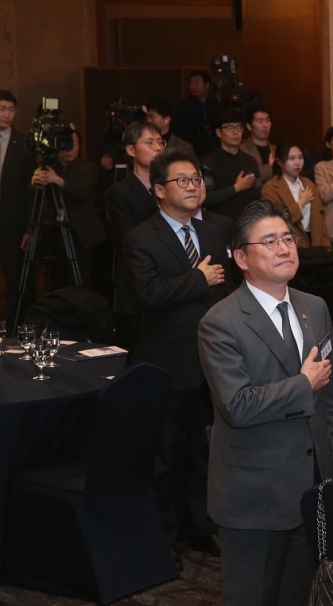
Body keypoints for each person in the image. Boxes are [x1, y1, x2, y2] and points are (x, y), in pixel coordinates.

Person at [198, 200, 333, 606]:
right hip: (254, 495)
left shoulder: (314, 307)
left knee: (299, 595)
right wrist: (302, 384)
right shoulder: (220, 321)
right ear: (242, 257)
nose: (285, 249)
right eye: (270, 242)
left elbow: (331, 400)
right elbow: (238, 405)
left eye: (287, 239)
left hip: (311, 486)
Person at [123, 146, 233, 564]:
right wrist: (197, 279)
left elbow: (226, 291)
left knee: (205, 454)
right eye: (182, 180)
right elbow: (148, 296)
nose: (193, 187)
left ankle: (201, 527)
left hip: (213, 363)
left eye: (196, 180)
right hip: (167, 365)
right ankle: (163, 536)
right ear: (158, 190)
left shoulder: (215, 231)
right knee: (163, 457)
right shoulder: (140, 238)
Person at [105, 122, 165, 347]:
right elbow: (129, 238)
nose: (158, 147)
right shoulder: (119, 192)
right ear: (131, 150)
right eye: (150, 143)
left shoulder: (172, 186)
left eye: (160, 142)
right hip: (139, 281)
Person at [28, 130, 107, 290]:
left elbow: (82, 190)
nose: (69, 149)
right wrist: (34, 180)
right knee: (55, 279)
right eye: (65, 144)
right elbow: (33, 198)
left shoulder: (89, 167)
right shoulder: (48, 168)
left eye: (74, 144)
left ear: (79, 146)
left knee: (78, 279)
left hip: (80, 233)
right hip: (53, 231)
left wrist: (57, 180)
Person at [0, 90, 34, 329]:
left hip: (11, 218)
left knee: (13, 275)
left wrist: (29, 225)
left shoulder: (23, 144)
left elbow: (30, 190)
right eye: (1, 108)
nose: (7, 114)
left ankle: (13, 326)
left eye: (11, 109)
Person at [261, 141, 331, 249]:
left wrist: (326, 247)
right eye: (291, 158)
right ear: (279, 161)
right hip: (289, 245)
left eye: (300, 157)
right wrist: (301, 203)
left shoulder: (309, 184)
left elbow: (321, 219)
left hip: (315, 244)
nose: (297, 163)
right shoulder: (270, 188)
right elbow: (276, 221)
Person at [202, 110, 261, 220]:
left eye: (239, 127)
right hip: (218, 224)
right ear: (219, 132)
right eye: (230, 127)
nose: (236, 132)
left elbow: (258, 195)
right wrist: (236, 188)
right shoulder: (209, 162)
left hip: (247, 223)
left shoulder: (250, 161)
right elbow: (205, 198)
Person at [172, 71, 219, 158]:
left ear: (207, 85)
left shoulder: (216, 105)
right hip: (192, 150)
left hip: (215, 150)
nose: (193, 87)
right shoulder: (183, 106)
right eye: (191, 84)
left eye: (197, 83)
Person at [241, 105, 275, 183]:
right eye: (260, 121)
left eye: (267, 120)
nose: (265, 125)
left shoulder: (277, 150)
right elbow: (247, 176)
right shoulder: (241, 150)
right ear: (249, 126)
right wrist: (272, 168)